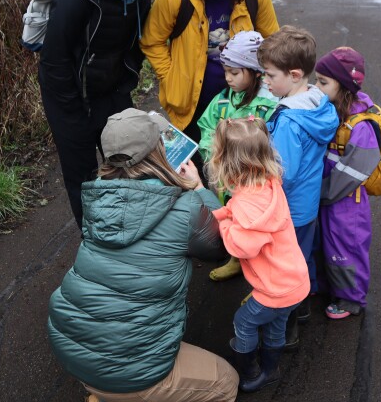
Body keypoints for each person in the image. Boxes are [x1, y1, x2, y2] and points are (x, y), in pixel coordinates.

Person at [48, 108, 238, 402]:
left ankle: (105, 394)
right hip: (130, 372)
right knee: (226, 381)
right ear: (158, 152)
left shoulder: (96, 194)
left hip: (74, 349)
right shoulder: (185, 207)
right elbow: (219, 245)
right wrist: (199, 187)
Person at [38, 0, 169, 229]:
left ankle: (131, 231)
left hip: (111, 88)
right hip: (68, 95)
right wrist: (74, 114)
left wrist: (125, 83)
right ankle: (95, 242)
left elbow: (135, 40)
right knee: (83, 173)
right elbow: (54, 60)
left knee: (130, 158)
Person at [141, 0, 279, 149]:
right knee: (194, 170)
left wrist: (265, 82)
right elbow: (151, 41)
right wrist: (170, 76)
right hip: (190, 104)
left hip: (243, 102)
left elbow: (274, 42)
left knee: (238, 168)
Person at [207, 117, 309, 393]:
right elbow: (250, 218)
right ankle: (270, 368)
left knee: (244, 321)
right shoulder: (269, 183)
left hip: (275, 289)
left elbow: (240, 246)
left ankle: (249, 372)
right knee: (275, 327)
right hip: (295, 280)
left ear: (227, 163)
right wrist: (229, 212)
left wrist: (224, 223)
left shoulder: (245, 204)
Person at [258, 25, 339, 346]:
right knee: (300, 258)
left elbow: (281, 172)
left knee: (282, 267)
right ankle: (302, 306)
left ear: (293, 74)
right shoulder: (318, 102)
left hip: (288, 207)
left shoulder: (290, 122)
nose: (265, 81)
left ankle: (285, 323)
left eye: (269, 75)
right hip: (307, 203)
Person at [197, 30, 277, 282]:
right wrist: (214, 153)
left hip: (255, 182)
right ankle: (236, 259)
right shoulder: (222, 100)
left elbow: (272, 144)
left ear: (256, 72)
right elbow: (207, 127)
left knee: (257, 226)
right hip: (227, 180)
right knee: (233, 218)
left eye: (235, 72)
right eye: (226, 71)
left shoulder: (270, 105)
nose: (227, 78)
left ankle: (262, 279)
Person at [315, 47, 380, 319]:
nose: (316, 87)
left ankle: (351, 299)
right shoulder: (334, 109)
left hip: (346, 201)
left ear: (343, 86)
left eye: (322, 82)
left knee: (347, 248)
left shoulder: (360, 126)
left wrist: (322, 192)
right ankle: (329, 286)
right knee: (326, 243)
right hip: (330, 196)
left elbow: (354, 172)